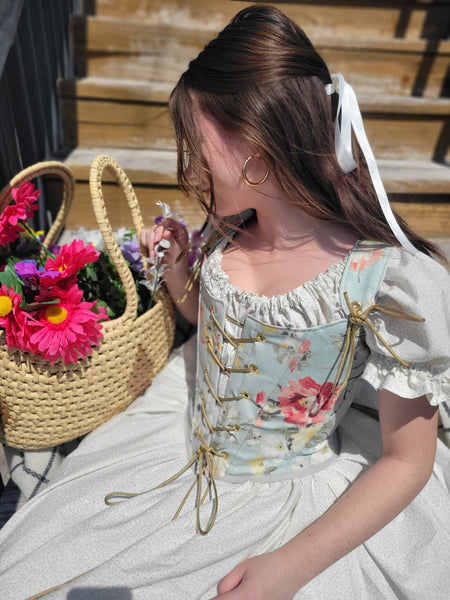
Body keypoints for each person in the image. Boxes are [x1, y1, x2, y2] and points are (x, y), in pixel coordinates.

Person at [0, 5, 449, 599]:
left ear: (255, 148)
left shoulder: (384, 280)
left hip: (292, 499)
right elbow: (206, 325)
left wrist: (291, 566)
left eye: (196, 144)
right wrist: (182, 270)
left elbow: (406, 461)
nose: (188, 164)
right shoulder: (228, 230)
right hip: (178, 442)